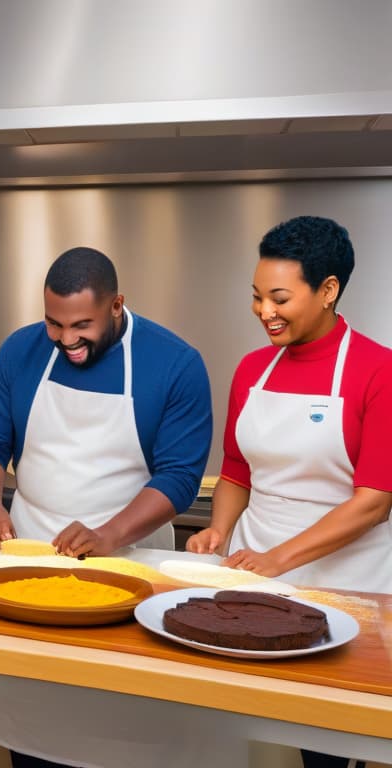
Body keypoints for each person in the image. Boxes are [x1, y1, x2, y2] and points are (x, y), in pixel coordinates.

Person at [0, 246, 213, 768]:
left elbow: (181, 477)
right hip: (27, 563)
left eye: (82, 325)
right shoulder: (20, 351)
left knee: (119, 720)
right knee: (32, 719)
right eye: (54, 323)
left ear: (117, 304)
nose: (66, 339)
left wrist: (111, 535)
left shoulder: (176, 363)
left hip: (129, 564)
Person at [188, 215, 392, 768]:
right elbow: (235, 468)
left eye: (279, 298)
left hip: (345, 582)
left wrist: (277, 559)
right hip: (253, 575)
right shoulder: (253, 369)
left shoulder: (378, 371)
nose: (264, 312)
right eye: (256, 297)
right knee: (238, 724)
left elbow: (374, 501)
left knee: (324, 742)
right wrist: (219, 530)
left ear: (328, 291)